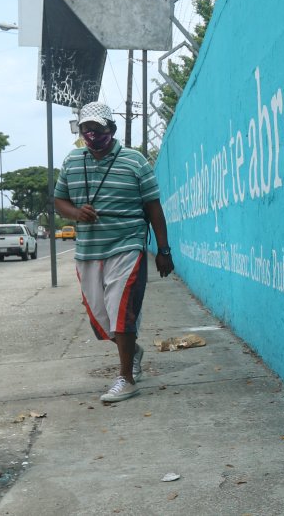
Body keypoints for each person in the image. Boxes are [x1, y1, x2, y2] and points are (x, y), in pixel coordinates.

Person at [53, 101, 174, 402]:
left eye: (97, 128)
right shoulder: (72, 161)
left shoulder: (135, 161)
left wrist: (163, 249)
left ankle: (126, 379)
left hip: (127, 245)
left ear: (112, 129)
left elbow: (153, 207)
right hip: (88, 250)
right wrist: (76, 213)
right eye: (86, 129)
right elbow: (59, 201)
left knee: (121, 311)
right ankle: (132, 350)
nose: (91, 134)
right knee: (101, 319)